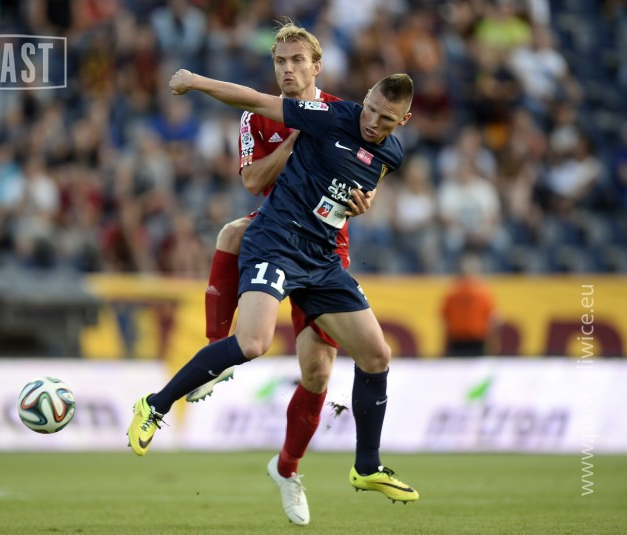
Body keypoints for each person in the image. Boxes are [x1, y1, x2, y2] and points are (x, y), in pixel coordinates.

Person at [127, 67, 420, 518]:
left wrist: (363, 202)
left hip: (322, 259)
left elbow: (363, 179)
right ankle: (155, 404)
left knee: (376, 356)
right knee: (252, 343)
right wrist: (196, 82)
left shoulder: (393, 152)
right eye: (371, 110)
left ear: (403, 121)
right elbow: (254, 100)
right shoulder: (329, 115)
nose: (372, 123)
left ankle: (366, 466)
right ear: (365, 98)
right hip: (277, 242)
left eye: (386, 119)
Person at [187, 23, 373, 526]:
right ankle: (216, 352)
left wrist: (366, 198)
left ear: (317, 67)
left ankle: (287, 469)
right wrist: (295, 137)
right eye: (280, 62)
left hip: (324, 247)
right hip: (275, 232)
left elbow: (369, 173)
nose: (287, 69)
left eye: (297, 61)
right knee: (231, 233)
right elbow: (252, 181)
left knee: (318, 372)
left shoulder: (345, 115)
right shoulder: (259, 116)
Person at [441, 253, 499, 356]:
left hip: (459, 339)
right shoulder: (482, 293)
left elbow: (445, 319)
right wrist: (493, 342)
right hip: (475, 339)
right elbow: (492, 319)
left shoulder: (452, 293)